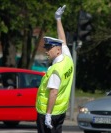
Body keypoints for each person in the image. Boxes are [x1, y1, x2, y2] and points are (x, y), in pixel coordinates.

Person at [36, 5, 74, 133]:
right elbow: (62, 40)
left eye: (48, 49)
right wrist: (58, 19)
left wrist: (47, 115)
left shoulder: (56, 70)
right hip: (60, 111)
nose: (46, 52)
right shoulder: (68, 59)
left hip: (49, 112)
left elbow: (53, 92)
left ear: (58, 50)